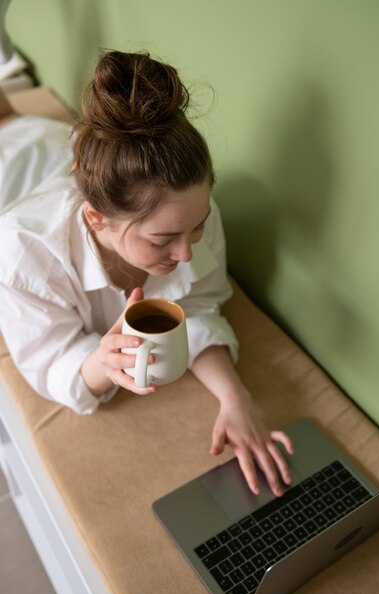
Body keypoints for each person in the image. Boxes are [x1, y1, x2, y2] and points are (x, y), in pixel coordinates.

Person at [0, 49, 293, 497]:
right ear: (97, 219)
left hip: (57, 149)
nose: (187, 254)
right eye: (162, 242)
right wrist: (101, 360)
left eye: (196, 229)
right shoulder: (22, 255)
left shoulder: (191, 214)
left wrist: (235, 397)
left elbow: (196, 305)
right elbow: (51, 363)